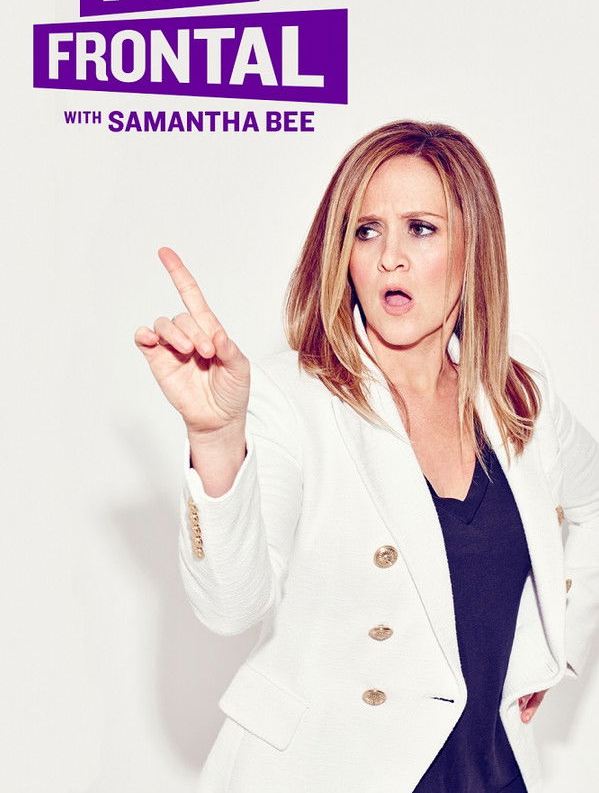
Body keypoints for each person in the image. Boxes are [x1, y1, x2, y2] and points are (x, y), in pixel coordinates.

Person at [134, 120, 599, 792]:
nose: (390, 258)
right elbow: (230, 608)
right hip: (325, 771)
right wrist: (214, 438)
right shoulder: (290, 397)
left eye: (421, 228)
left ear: (473, 247)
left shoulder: (516, 391)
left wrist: (553, 642)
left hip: (489, 770)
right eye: (366, 230)